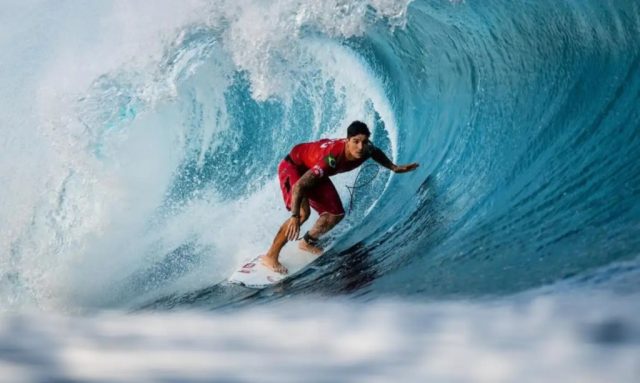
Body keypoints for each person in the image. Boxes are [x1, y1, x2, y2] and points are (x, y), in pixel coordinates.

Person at [262, 120, 419, 274]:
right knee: (303, 214)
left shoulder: (367, 149)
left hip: (312, 168)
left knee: (335, 214)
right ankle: (270, 256)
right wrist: (295, 216)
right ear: (347, 140)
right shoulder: (332, 159)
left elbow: (375, 152)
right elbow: (299, 186)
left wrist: (393, 167)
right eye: (355, 142)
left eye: (364, 142)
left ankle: (307, 242)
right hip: (294, 166)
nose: (360, 147)